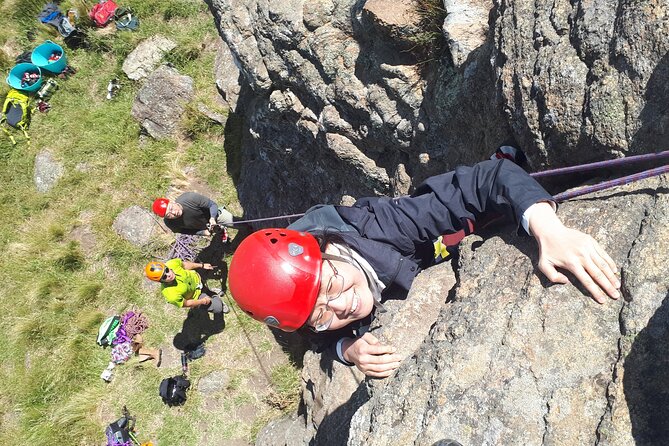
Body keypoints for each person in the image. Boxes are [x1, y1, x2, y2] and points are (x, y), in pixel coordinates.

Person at [228, 158, 620, 378]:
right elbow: (317, 339)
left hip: (438, 232)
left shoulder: (381, 228)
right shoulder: (309, 309)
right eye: (320, 314)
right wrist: (348, 348)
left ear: (329, 248)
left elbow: (487, 179)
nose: (342, 305)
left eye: (332, 283)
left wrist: (549, 230)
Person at [145, 259, 230, 314]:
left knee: (208, 291)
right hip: (197, 296)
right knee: (218, 308)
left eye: (167, 270)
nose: (169, 275)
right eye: (164, 277)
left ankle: (211, 292)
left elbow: (185, 265)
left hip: (198, 280)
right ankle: (219, 304)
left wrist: (202, 265)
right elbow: (186, 303)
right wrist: (203, 301)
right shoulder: (170, 294)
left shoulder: (172, 264)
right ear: (160, 281)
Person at [152, 192, 233, 239]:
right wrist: (202, 232)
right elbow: (183, 231)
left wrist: (212, 218)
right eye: (169, 215)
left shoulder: (189, 198)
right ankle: (222, 231)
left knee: (238, 223)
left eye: (171, 208)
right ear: (166, 218)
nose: (174, 213)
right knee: (217, 230)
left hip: (215, 215)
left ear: (172, 202)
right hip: (205, 227)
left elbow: (212, 205)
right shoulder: (170, 223)